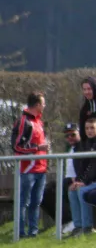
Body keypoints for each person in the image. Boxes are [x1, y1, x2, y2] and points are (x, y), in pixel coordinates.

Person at [11, 91, 48, 238]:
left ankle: (33, 232)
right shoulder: (24, 121)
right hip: (28, 169)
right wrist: (37, 148)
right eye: (43, 103)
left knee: (36, 202)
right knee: (23, 202)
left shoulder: (39, 122)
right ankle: (20, 232)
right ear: (38, 105)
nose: (44, 106)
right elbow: (17, 146)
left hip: (41, 168)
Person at [68, 118, 96, 235]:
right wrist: (78, 180)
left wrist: (84, 182)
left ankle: (87, 227)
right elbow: (84, 164)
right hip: (93, 180)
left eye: (92, 128)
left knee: (82, 190)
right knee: (72, 190)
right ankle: (78, 226)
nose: (89, 131)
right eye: (87, 128)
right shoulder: (88, 142)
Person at [40, 123, 82, 232]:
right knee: (44, 192)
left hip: (78, 179)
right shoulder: (71, 148)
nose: (70, 138)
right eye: (67, 136)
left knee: (51, 191)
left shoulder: (83, 146)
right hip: (69, 179)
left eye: (73, 135)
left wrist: (79, 178)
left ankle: (70, 221)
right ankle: (65, 221)